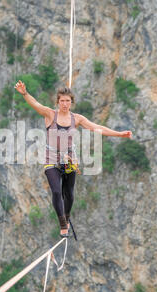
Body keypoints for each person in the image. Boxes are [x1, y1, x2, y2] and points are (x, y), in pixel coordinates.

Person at [14, 80, 132, 237]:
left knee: (68, 193)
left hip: (69, 159)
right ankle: (63, 223)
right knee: (57, 191)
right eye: (62, 101)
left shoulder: (77, 119)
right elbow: (35, 104)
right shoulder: (50, 114)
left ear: (71, 102)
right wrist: (24, 93)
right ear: (58, 102)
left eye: (67, 101)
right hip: (52, 159)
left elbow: (96, 128)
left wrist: (119, 134)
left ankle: (67, 217)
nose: (64, 104)